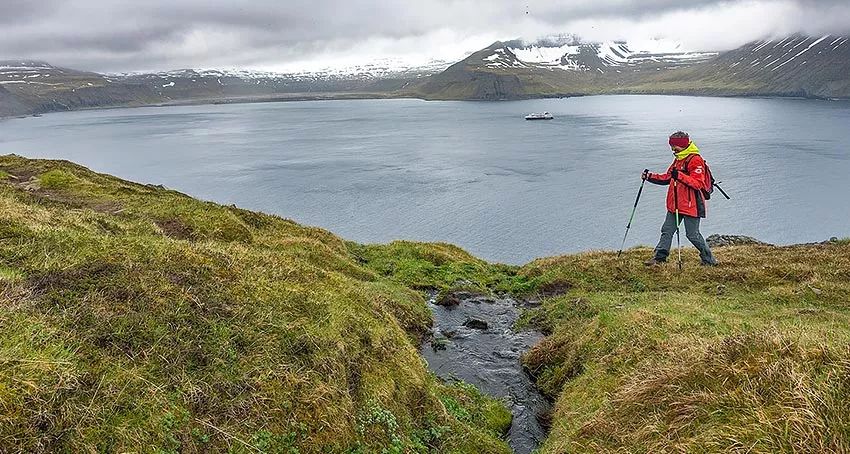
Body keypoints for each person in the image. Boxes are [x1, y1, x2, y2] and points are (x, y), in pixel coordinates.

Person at [642, 131, 717, 266]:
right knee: (667, 230)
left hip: (691, 204)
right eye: (671, 146)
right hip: (675, 203)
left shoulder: (695, 159)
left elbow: (697, 183)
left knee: (692, 234)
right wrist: (650, 176)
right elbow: (668, 177)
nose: (672, 149)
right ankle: (659, 258)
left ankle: (709, 260)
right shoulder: (678, 158)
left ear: (683, 145)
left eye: (675, 146)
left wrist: (680, 176)